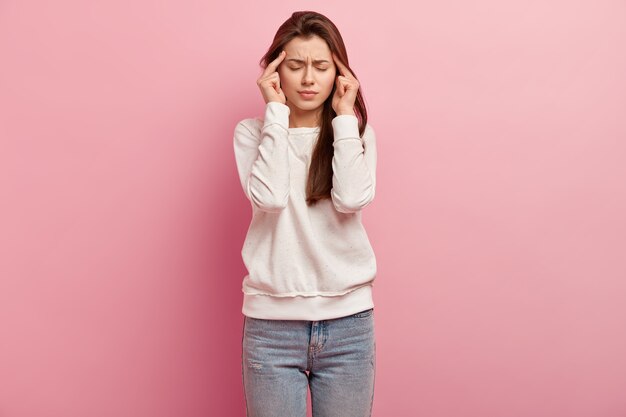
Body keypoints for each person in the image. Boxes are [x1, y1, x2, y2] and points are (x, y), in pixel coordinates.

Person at [232, 10, 378, 417]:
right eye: (295, 66)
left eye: (321, 66)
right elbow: (270, 197)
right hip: (271, 328)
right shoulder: (252, 133)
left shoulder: (356, 132)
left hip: (349, 324)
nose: (309, 79)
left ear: (340, 72)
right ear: (276, 71)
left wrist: (346, 117)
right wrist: (276, 114)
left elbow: (350, 200)